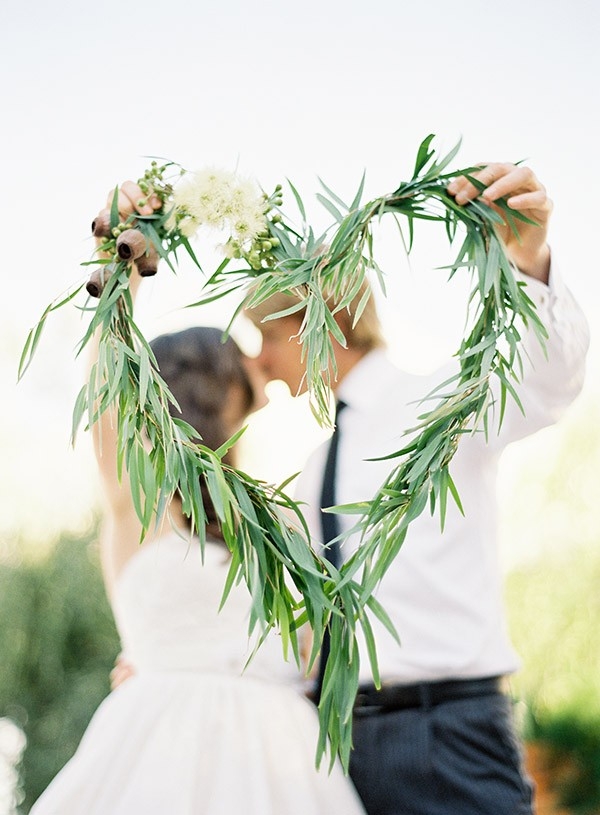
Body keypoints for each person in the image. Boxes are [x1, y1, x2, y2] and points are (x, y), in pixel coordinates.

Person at [244, 162, 591, 814]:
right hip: (337, 745)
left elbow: (549, 382)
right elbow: (315, 625)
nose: (260, 359)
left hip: (446, 734)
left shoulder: (441, 400)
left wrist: (530, 258)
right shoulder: (316, 465)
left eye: (267, 333)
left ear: (316, 318)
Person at [29, 192, 367, 814]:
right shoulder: (142, 501)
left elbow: (319, 652)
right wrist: (119, 266)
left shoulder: (281, 524)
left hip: (279, 759)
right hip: (160, 746)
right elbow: (106, 394)